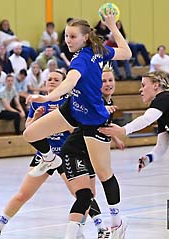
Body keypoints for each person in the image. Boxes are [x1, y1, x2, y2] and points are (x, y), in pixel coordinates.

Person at [23, 12, 131, 239]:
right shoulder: (97, 50)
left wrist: (47, 97)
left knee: (104, 174)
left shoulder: (81, 58)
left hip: (94, 120)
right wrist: (112, 27)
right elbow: (126, 51)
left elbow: (70, 81)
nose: (68, 40)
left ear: (85, 38)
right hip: (73, 110)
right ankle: (51, 159)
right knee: (30, 133)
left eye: (73, 36)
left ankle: (117, 221)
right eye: (66, 36)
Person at [98, 70, 169, 239]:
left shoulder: (165, 98)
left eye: (143, 85)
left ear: (156, 86)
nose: (140, 90)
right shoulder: (164, 114)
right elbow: (161, 147)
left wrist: (123, 130)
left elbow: (146, 119)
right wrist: (148, 159)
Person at [0, 70, 72, 239]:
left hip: (66, 154)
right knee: (23, 194)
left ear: (64, 83)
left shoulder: (69, 102)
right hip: (45, 155)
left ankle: (101, 226)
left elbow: (75, 130)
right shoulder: (37, 102)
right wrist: (37, 117)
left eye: (56, 80)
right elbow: (28, 130)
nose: (52, 82)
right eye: (49, 79)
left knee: (80, 194)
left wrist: (58, 118)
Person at [58, 63, 124, 239]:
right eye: (103, 81)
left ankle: (79, 231)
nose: (108, 84)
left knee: (90, 195)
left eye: (110, 80)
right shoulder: (95, 101)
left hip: (90, 154)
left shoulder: (109, 102)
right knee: (84, 195)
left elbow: (102, 126)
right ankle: (71, 235)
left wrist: (115, 137)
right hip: (74, 152)